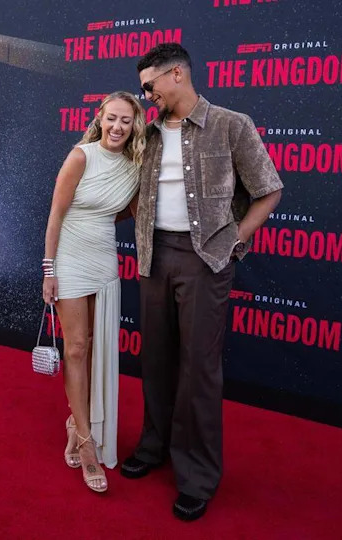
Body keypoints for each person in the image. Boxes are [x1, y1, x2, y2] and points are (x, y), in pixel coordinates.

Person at [121, 44, 283, 520]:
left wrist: (234, 240)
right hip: (154, 257)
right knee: (155, 360)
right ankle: (154, 448)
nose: (145, 94)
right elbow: (128, 189)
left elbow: (269, 189)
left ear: (177, 74)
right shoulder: (146, 135)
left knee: (198, 371)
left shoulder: (232, 124)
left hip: (206, 262)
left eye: (150, 85)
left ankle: (197, 476)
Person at [42, 91, 145, 493]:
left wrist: (100, 217)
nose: (118, 127)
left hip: (103, 258)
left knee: (99, 349)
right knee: (77, 348)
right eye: (112, 118)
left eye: (126, 121)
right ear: (100, 117)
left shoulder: (135, 167)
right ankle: (86, 443)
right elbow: (56, 214)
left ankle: (76, 424)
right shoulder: (81, 156)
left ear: (134, 125)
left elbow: (124, 211)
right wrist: (49, 270)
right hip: (68, 257)